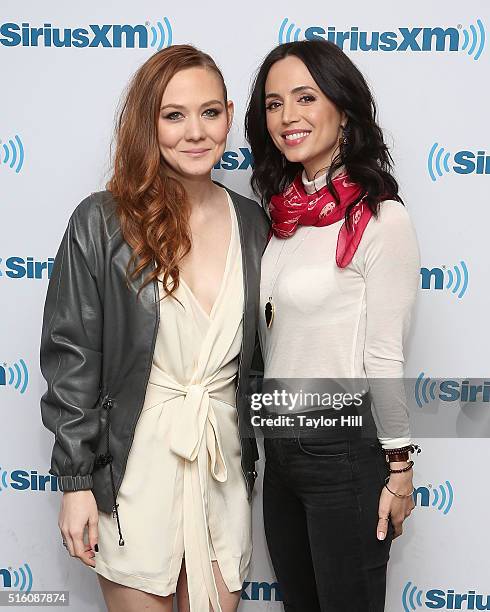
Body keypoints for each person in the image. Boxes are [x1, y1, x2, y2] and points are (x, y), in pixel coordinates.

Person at [40, 44, 269, 612]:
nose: (195, 131)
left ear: (230, 116)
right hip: (132, 473)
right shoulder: (101, 220)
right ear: (149, 122)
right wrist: (75, 483)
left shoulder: (253, 223)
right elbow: (72, 358)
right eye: (174, 115)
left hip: (220, 468)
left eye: (210, 112)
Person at [245, 40, 420, 611]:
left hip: (346, 451)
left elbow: (385, 353)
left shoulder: (380, 219)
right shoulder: (285, 217)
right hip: (282, 451)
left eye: (305, 97)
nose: (287, 117)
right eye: (273, 104)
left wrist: (398, 467)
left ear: (343, 109)